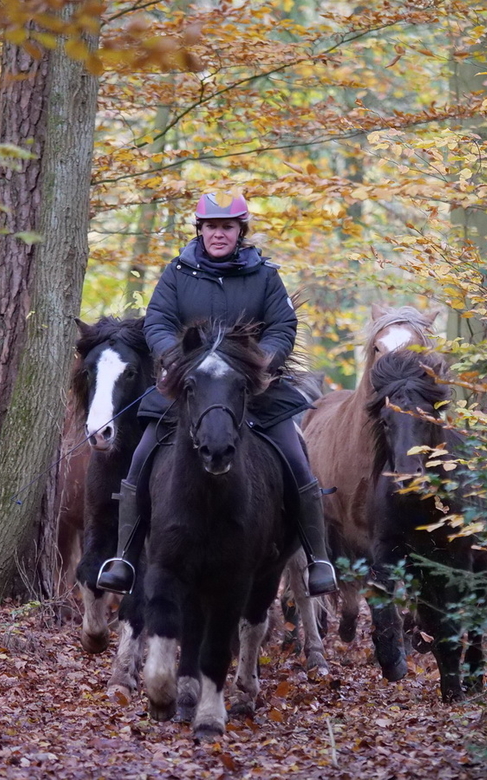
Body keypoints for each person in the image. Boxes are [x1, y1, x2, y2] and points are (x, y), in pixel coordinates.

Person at [96, 192, 338, 597]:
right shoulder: (176, 273)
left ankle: (317, 559)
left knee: (297, 461)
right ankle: (124, 558)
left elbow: (283, 326)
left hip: (252, 390)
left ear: (240, 231)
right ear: (201, 230)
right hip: (188, 388)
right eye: (212, 227)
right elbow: (157, 322)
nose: (219, 234)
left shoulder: (265, 276)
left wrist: (262, 360)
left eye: (227, 227)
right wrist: (176, 360)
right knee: (140, 460)